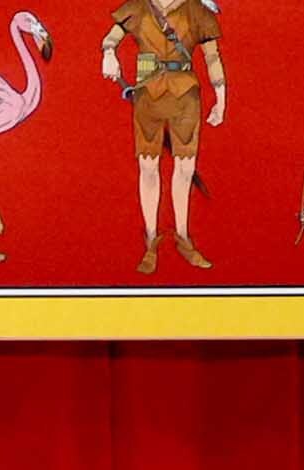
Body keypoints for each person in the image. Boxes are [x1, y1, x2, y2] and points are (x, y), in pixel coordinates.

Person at [95, 0, 219, 270]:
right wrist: (108, 53)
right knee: (148, 166)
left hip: (185, 94)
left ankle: (183, 237)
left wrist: (221, 98)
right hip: (147, 92)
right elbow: (111, 38)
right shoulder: (138, 7)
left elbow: (212, 57)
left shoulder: (197, 10)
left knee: (185, 168)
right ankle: (151, 239)